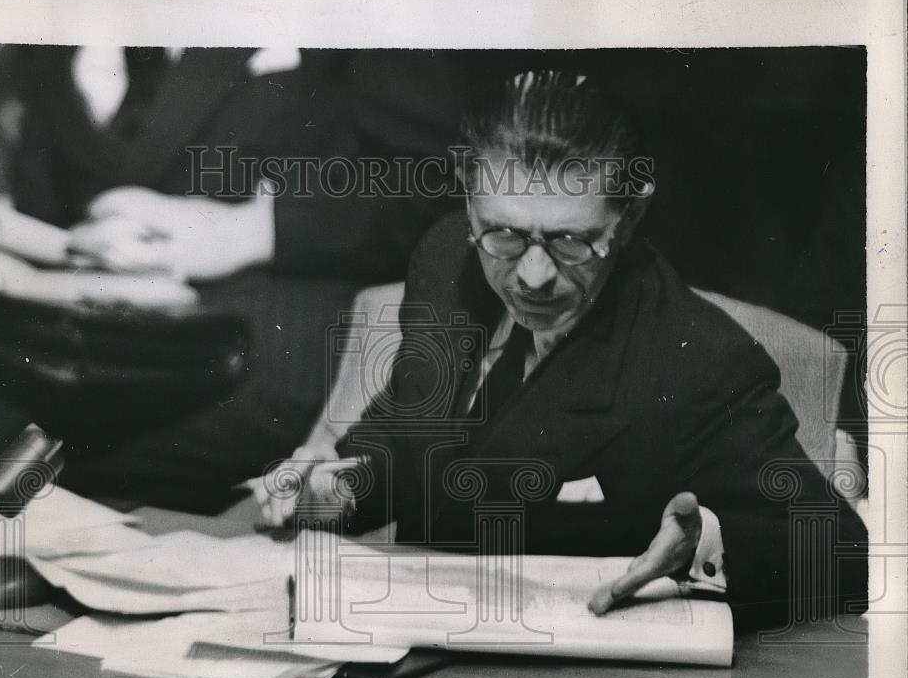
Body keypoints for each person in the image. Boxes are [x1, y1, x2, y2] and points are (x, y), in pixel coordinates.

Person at [258, 70, 868, 629]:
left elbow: (840, 553)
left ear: (629, 218)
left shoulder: (698, 361)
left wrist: (705, 545)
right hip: (420, 637)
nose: (532, 275)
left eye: (571, 241)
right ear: (469, 202)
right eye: (504, 233)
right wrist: (342, 487)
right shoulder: (447, 259)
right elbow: (419, 429)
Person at [0, 46, 470, 512]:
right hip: (86, 318)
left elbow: (453, 187)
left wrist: (250, 229)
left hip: (264, 344)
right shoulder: (49, 34)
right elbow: (47, 189)